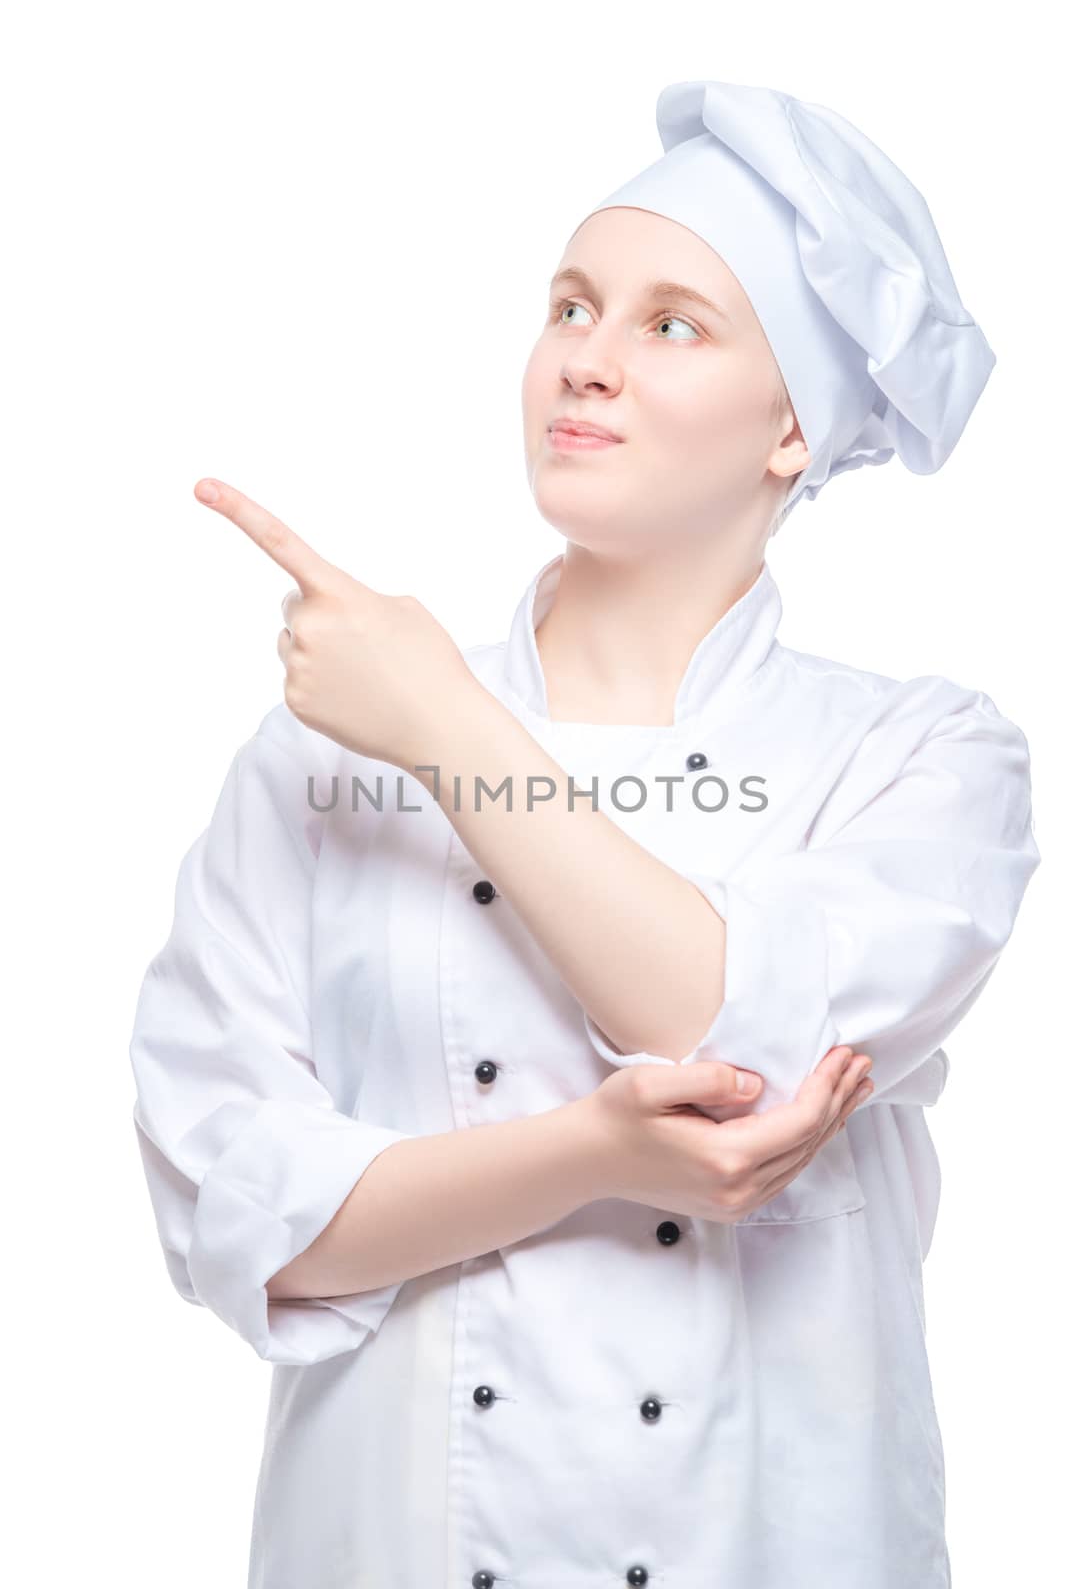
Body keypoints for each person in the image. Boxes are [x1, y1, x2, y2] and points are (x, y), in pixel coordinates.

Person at [128, 80, 1040, 1588]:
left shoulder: (923, 760)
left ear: (790, 432)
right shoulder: (319, 752)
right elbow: (233, 1212)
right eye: (571, 303)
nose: (586, 360)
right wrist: (584, 1158)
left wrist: (448, 729)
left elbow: (726, 1018)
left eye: (673, 323)